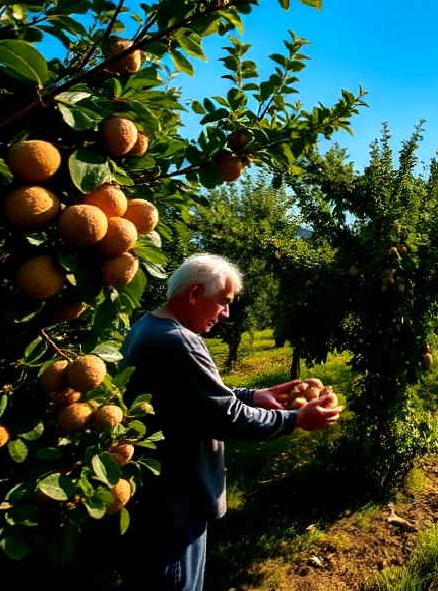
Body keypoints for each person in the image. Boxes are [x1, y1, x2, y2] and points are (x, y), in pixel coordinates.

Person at [120, 253, 342, 591]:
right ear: (194, 293)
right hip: (176, 503)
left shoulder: (147, 327)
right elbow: (225, 416)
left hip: (152, 498)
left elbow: (189, 398)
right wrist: (296, 419)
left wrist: (253, 395)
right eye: (222, 302)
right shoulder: (180, 341)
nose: (226, 314)